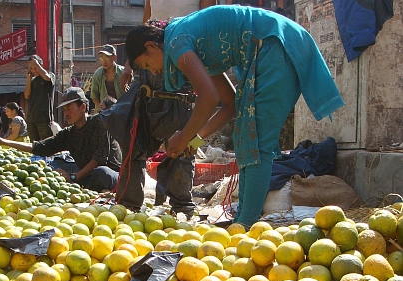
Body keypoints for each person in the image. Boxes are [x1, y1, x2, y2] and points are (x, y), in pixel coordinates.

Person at [125, 5, 344, 227]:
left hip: (274, 43)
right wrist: (194, 138)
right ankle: (243, 218)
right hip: (269, 46)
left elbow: (208, 98)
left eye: (146, 64)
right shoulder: (189, 41)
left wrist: (183, 137)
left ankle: (246, 225)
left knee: (258, 142)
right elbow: (230, 106)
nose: (153, 72)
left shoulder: (176, 43)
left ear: (151, 46)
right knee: (246, 138)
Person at [119, 0, 216, 217]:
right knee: (135, 132)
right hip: (151, 54)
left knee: (182, 129)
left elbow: (208, 18)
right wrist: (131, 64)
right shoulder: (146, 51)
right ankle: (129, 204)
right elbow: (145, 24)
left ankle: (181, 205)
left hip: (181, 54)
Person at [0, 88, 122, 193]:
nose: (67, 113)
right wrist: (4, 142)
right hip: (87, 177)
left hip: (112, 175)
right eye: (64, 110)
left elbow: (100, 158)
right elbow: (41, 147)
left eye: (69, 108)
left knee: (101, 172)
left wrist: (74, 177)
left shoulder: (99, 123)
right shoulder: (68, 134)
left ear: (83, 107)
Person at [24, 54, 55, 142]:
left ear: (40, 65)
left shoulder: (49, 75)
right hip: (31, 118)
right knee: (34, 146)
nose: (34, 70)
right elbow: (26, 95)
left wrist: (36, 64)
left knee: (47, 144)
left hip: (43, 118)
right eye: (31, 68)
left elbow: (47, 78)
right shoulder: (33, 81)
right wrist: (28, 79)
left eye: (35, 67)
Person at [91, 45, 126, 113]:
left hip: (121, 111)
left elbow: (130, 93)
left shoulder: (123, 72)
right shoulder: (97, 74)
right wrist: (101, 109)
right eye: (102, 57)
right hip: (103, 113)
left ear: (114, 57)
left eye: (107, 57)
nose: (104, 61)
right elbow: (94, 96)